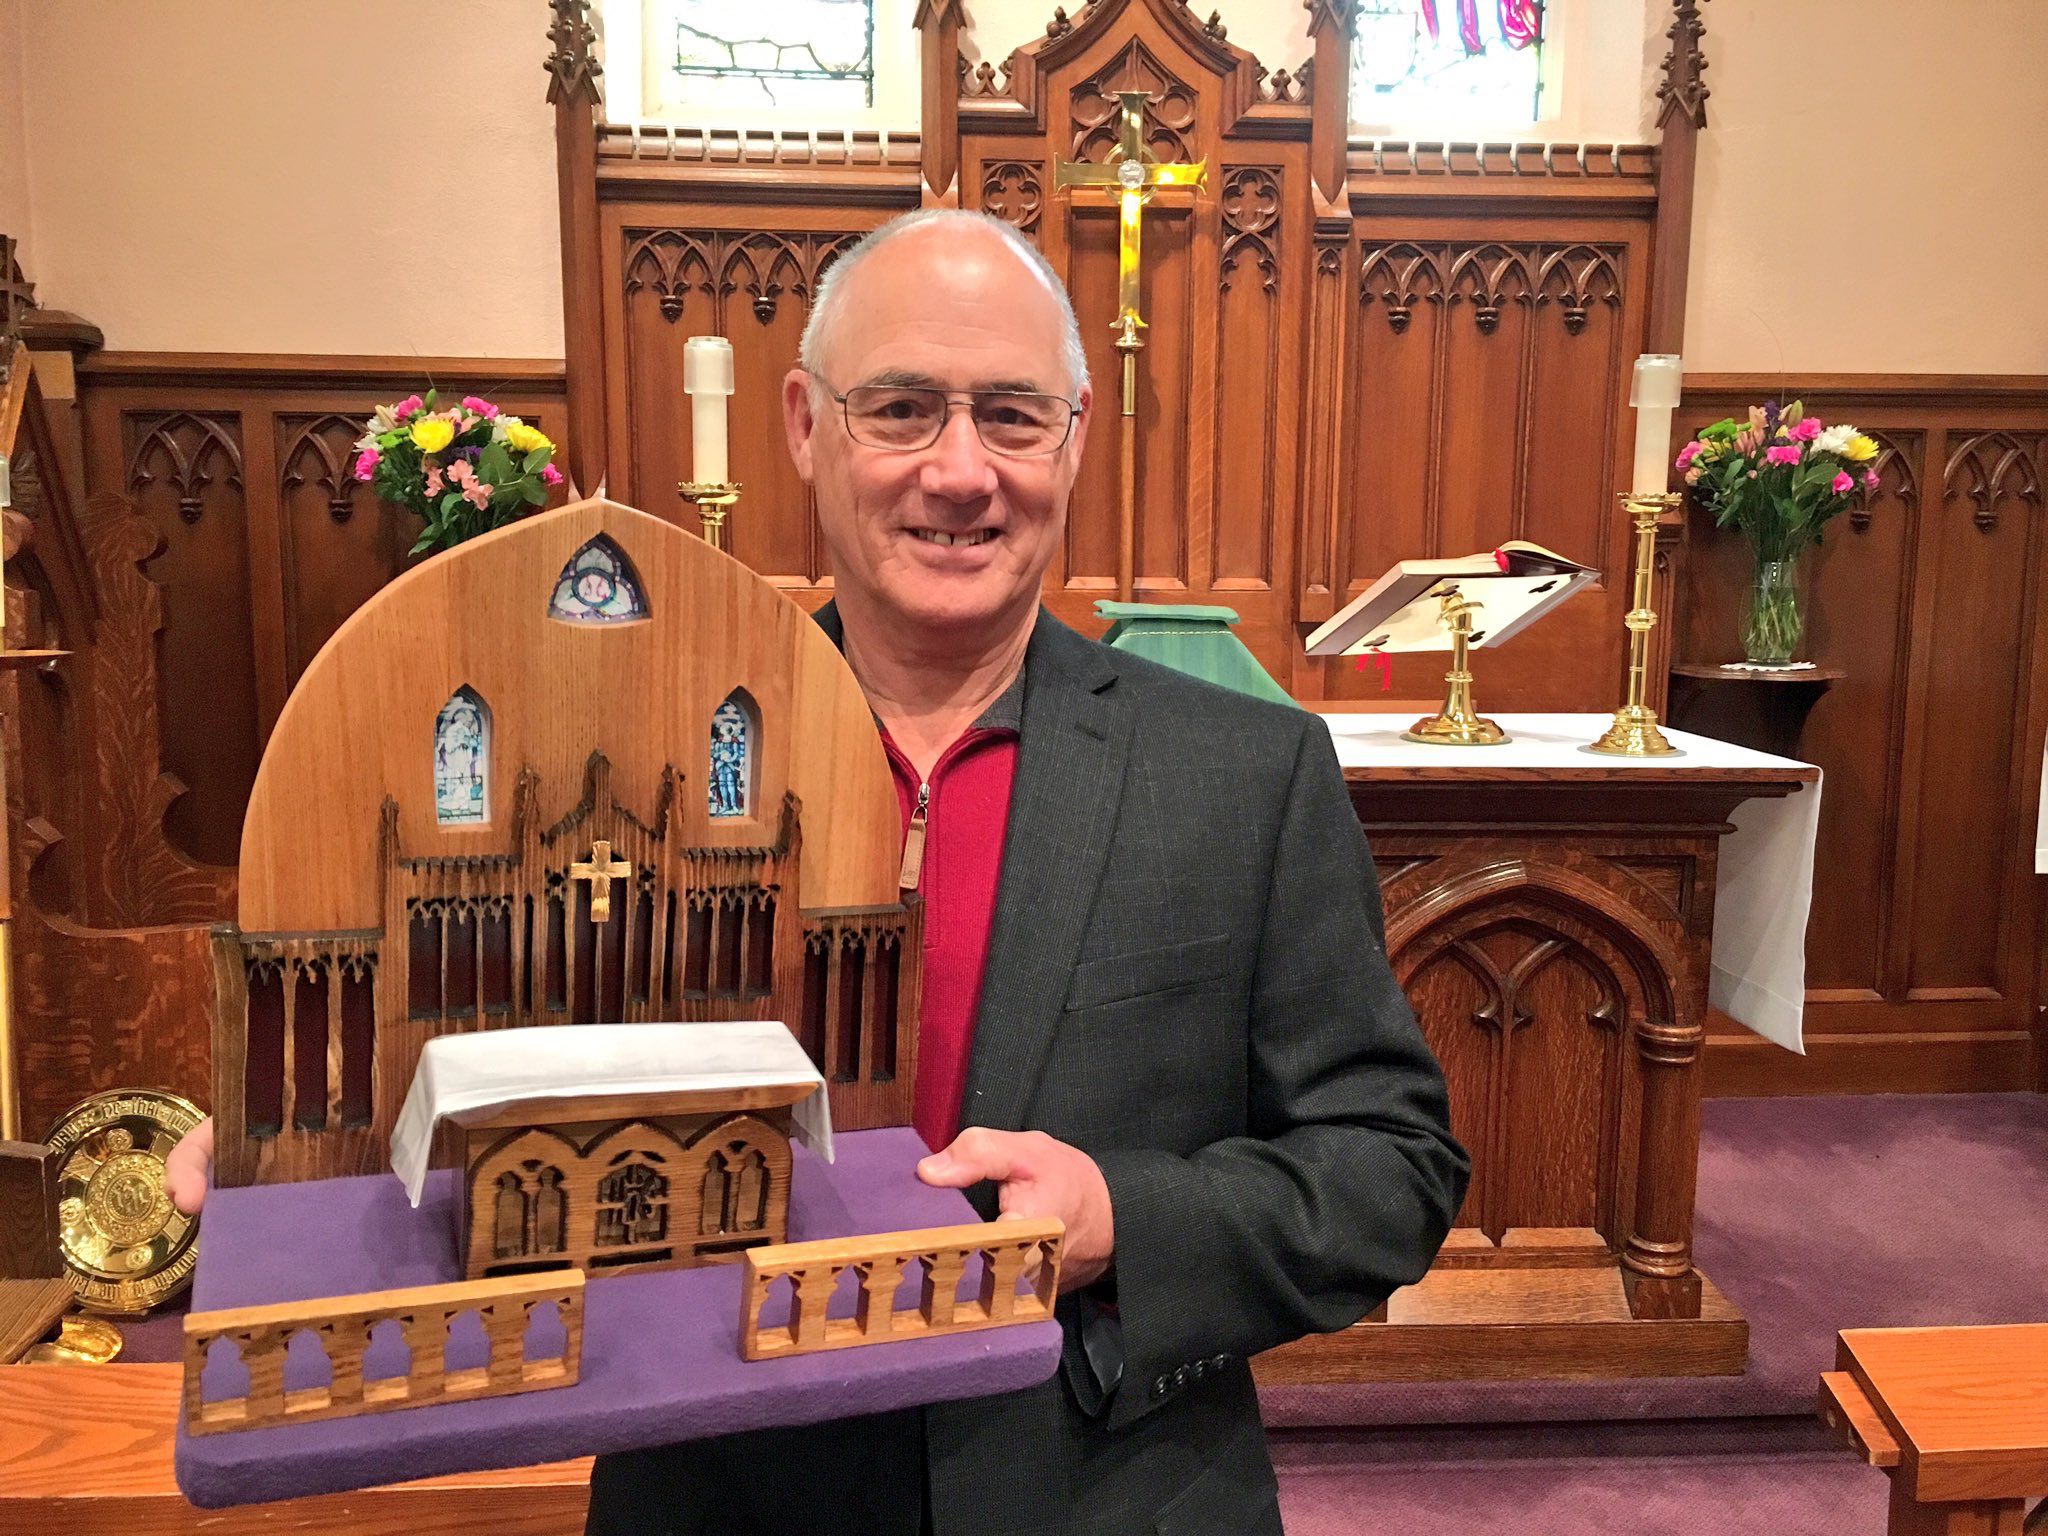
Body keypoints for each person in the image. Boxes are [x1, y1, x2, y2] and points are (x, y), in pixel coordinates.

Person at [167, 209, 1467, 1536]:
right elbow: (491, 1045)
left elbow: (1391, 1171)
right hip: (726, 1486)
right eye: (900, 407)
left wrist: (1122, 1215)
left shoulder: (1244, 776)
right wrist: (319, 1166)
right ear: (803, 423)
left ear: (1075, 433)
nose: (960, 473)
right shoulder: (625, 751)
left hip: (1105, 1489)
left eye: (1014, 416)